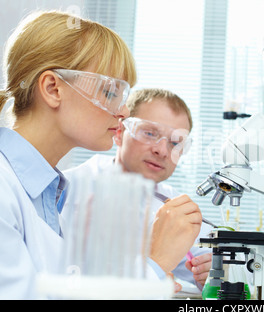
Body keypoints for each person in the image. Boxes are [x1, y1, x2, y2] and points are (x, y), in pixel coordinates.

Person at [0, 11, 201, 299]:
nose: (123, 112)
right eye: (110, 93)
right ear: (53, 89)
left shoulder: (51, 196)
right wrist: (153, 266)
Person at [62, 88, 212, 292]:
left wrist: (210, 272)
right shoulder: (67, 190)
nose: (162, 150)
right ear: (119, 133)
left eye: (176, 142)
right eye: (150, 133)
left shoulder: (174, 205)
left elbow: (209, 260)